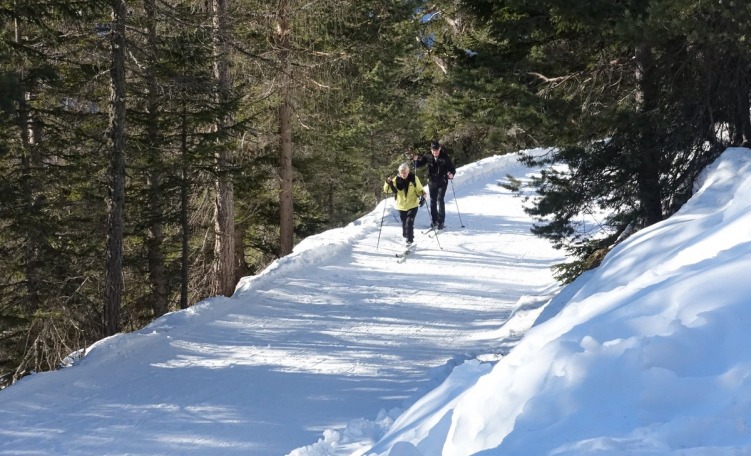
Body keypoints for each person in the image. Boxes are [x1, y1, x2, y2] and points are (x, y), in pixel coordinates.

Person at [413, 140, 456, 230]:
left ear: (439, 149)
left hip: (442, 182)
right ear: (431, 150)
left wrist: (451, 174)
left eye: (436, 150)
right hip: (432, 181)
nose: (434, 152)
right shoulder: (428, 155)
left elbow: (452, 169)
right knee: (433, 201)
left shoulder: (445, 157)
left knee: (440, 199)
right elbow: (418, 164)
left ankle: (441, 221)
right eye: (433, 150)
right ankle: (434, 220)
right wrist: (415, 160)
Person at [384, 162, 426, 245]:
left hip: (413, 205)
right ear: (399, 172)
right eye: (401, 173)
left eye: (405, 172)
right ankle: (407, 236)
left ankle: (410, 240)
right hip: (401, 206)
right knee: (404, 225)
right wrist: (387, 182)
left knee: (409, 222)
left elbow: (420, 189)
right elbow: (387, 190)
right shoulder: (396, 179)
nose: (403, 174)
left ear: (408, 171)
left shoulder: (414, 178)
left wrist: (423, 195)